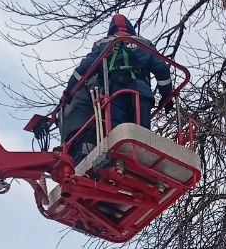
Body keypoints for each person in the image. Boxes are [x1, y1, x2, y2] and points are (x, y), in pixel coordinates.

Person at [59, 13, 175, 160]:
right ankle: (142, 157)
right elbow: (162, 69)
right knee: (142, 134)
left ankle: (119, 158)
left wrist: (69, 91)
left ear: (111, 29)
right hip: (142, 93)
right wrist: (167, 95)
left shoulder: (103, 44)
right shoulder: (144, 43)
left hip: (114, 93)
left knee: (118, 132)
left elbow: (83, 70)